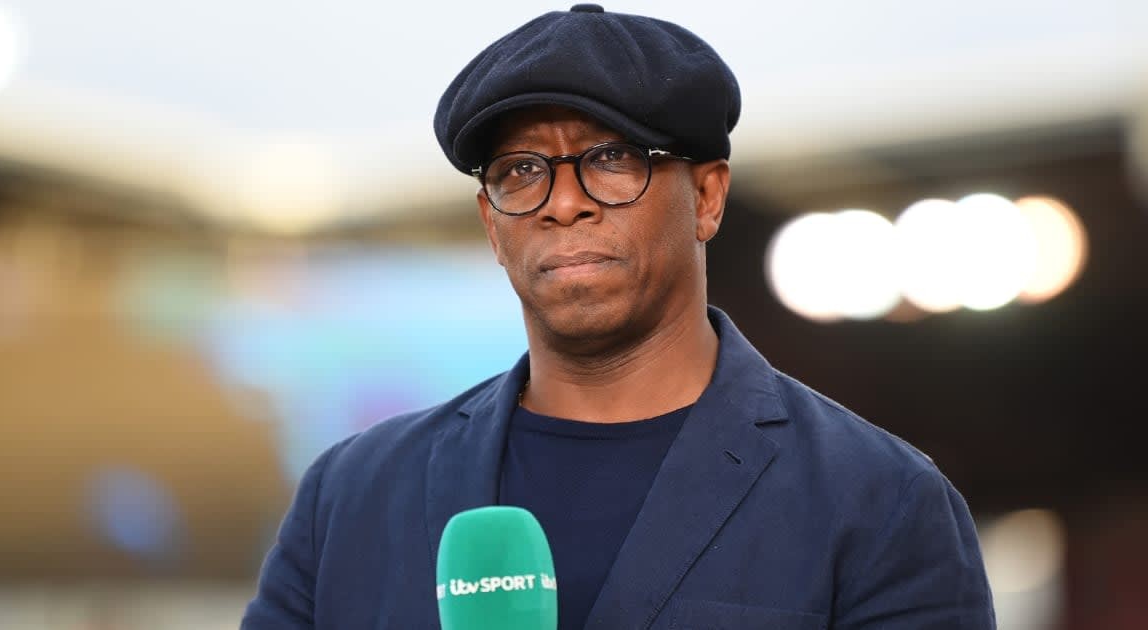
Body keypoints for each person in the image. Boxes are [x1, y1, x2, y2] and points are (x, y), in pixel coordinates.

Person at [242, 5, 996, 629]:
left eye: (610, 158)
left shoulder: (879, 500)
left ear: (707, 197)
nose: (562, 202)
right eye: (520, 171)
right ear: (491, 223)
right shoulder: (352, 495)